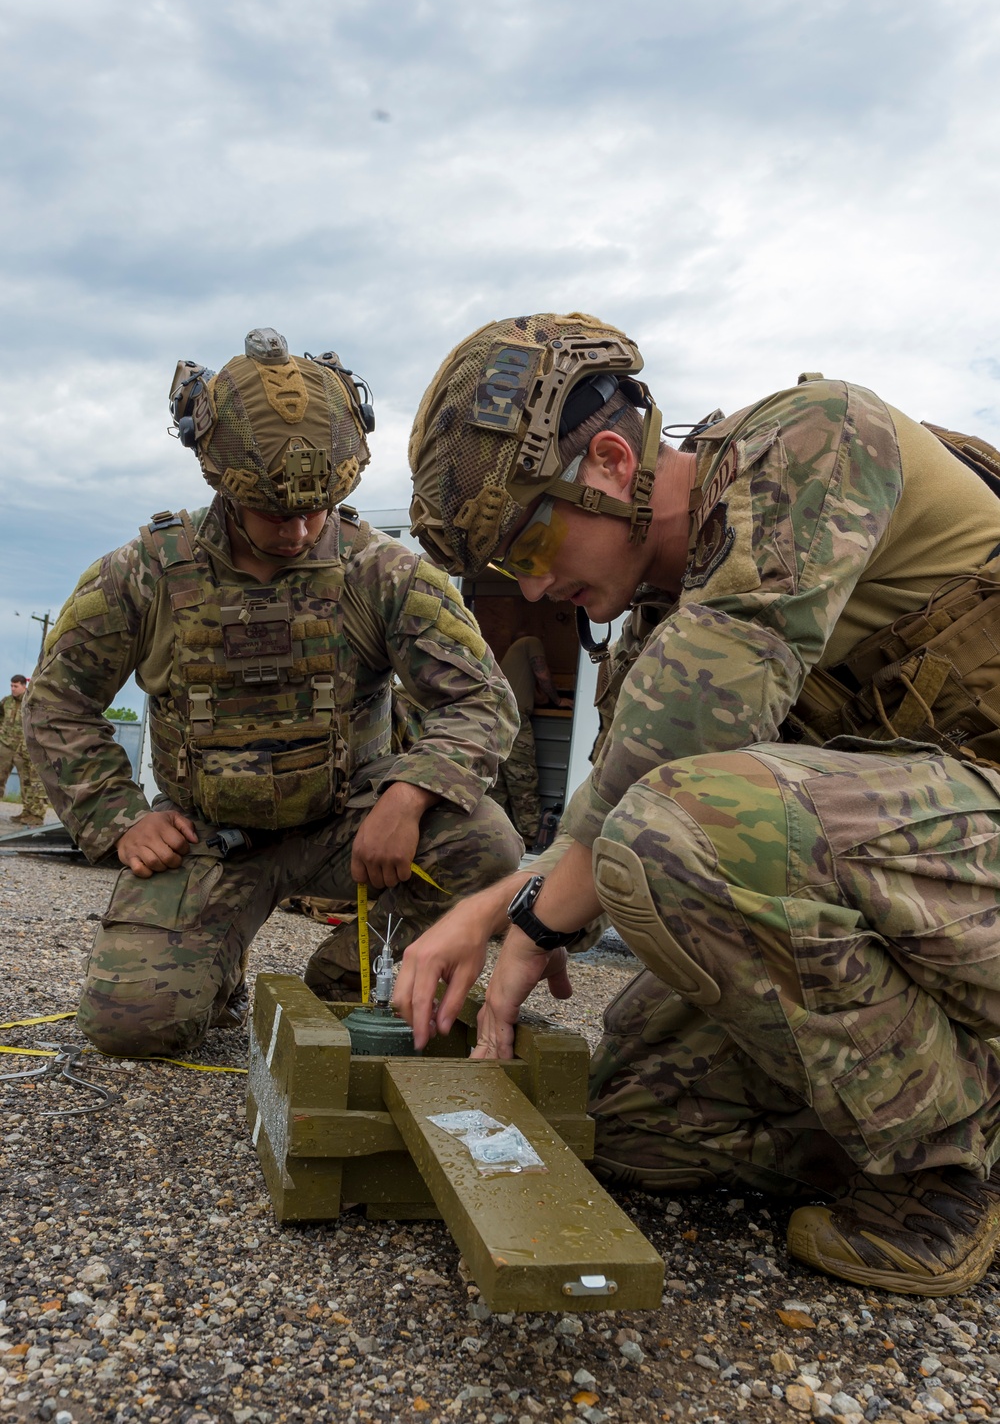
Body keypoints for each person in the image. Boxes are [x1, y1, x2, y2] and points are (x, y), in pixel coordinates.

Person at [398, 309, 1000, 1297]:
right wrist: (509, 902)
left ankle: (935, 1175)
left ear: (604, 458)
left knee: (676, 829)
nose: (537, 586)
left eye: (530, 542)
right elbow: (618, 801)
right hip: (933, 902)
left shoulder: (817, 437)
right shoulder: (656, 627)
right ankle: (953, 1090)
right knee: (636, 1113)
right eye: (506, 572)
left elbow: (665, 784)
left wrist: (523, 919)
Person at [23, 328, 521, 1058]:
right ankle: (214, 961)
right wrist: (120, 817)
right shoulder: (145, 573)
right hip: (209, 840)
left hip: (346, 828)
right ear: (221, 486)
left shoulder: (383, 574)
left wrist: (407, 797)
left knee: (486, 843)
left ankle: (355, 974)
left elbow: (482, 702)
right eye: (272, 512)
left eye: (316, 509)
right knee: (133, 1030)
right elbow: (59, 700)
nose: (297, 530)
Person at [491, 635, 571, 846]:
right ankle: (530, 840)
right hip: (512, 720)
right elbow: (543, 675)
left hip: (491, 719)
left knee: (497, 784)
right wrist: (559, 699)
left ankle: (500, 838)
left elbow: (537, 692)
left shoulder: (514, 660)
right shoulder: (533, 641)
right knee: (522, 780)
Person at [0, 676, 48, 826]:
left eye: (15, 686)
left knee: (28, 782)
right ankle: (26, 813)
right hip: (6, 746)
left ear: (23, 685)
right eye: (11, 686)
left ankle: (32, 813)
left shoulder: (31, 701)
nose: (13, 689)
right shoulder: (6, 702)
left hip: (25, 748)